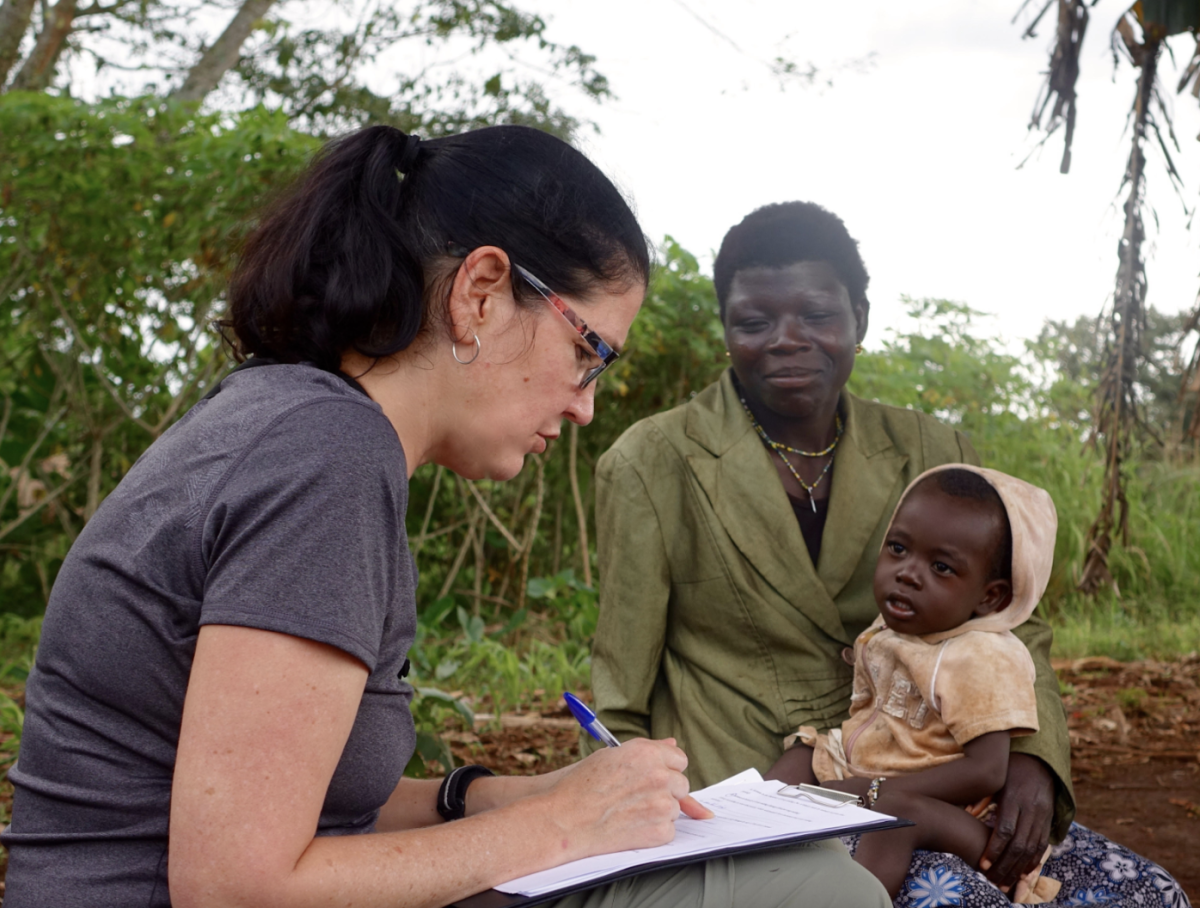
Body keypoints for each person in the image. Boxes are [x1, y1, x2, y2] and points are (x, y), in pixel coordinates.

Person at [1, 130, 890, 908]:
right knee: (818, 890)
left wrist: (509, 796)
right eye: (591, 354)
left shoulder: (294, 424)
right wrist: (564, 827)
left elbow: (293, 791)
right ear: (482, 292)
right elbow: (237, 885)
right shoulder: (324, 456)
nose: (585, 407)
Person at [587, 201, 1192, 906]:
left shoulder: (934, 451)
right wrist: (629, 847)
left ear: (860, 319)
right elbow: (618, 705)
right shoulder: (653, 461)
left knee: (1149, 893)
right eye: (754, 321)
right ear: (726, 329)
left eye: (816, 315)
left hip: (942, 778)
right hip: (759, 802)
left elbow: (1014, 630)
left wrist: (1031, 760)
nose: (787, 340)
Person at [767, 465, 1061, 904]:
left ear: (989, 597)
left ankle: (852, 896)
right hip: (874, 769)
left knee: (896, 816)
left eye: (941, 567)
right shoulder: (897, 629)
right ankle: (753, 832)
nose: (907, 573)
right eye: (898, 548)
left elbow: (987, 770)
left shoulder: (980, 657)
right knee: (802, 754)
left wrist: (873, 791)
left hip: (957, 812)